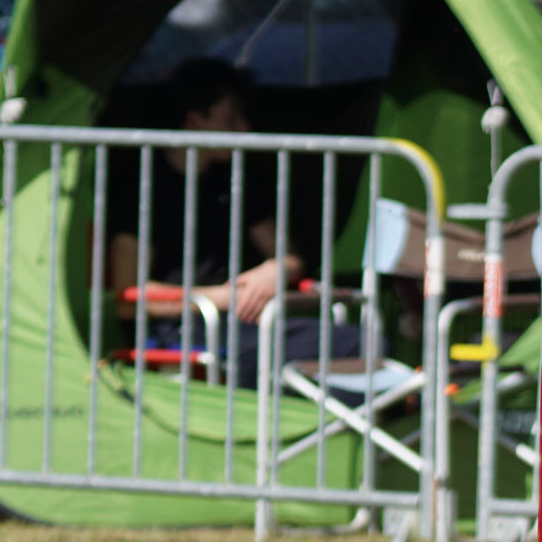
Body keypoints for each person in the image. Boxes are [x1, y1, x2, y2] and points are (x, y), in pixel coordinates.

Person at [106, 57, 359, 387]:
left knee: (360, 340)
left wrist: (275, 270)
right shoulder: (144, 187)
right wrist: (223, 298)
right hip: (185, 330)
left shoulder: (235, 179)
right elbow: (129, 298)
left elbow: (288, 255)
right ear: (194, 120)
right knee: (345, 345)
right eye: (232, 118)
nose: (245, 129)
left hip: (241, 325)